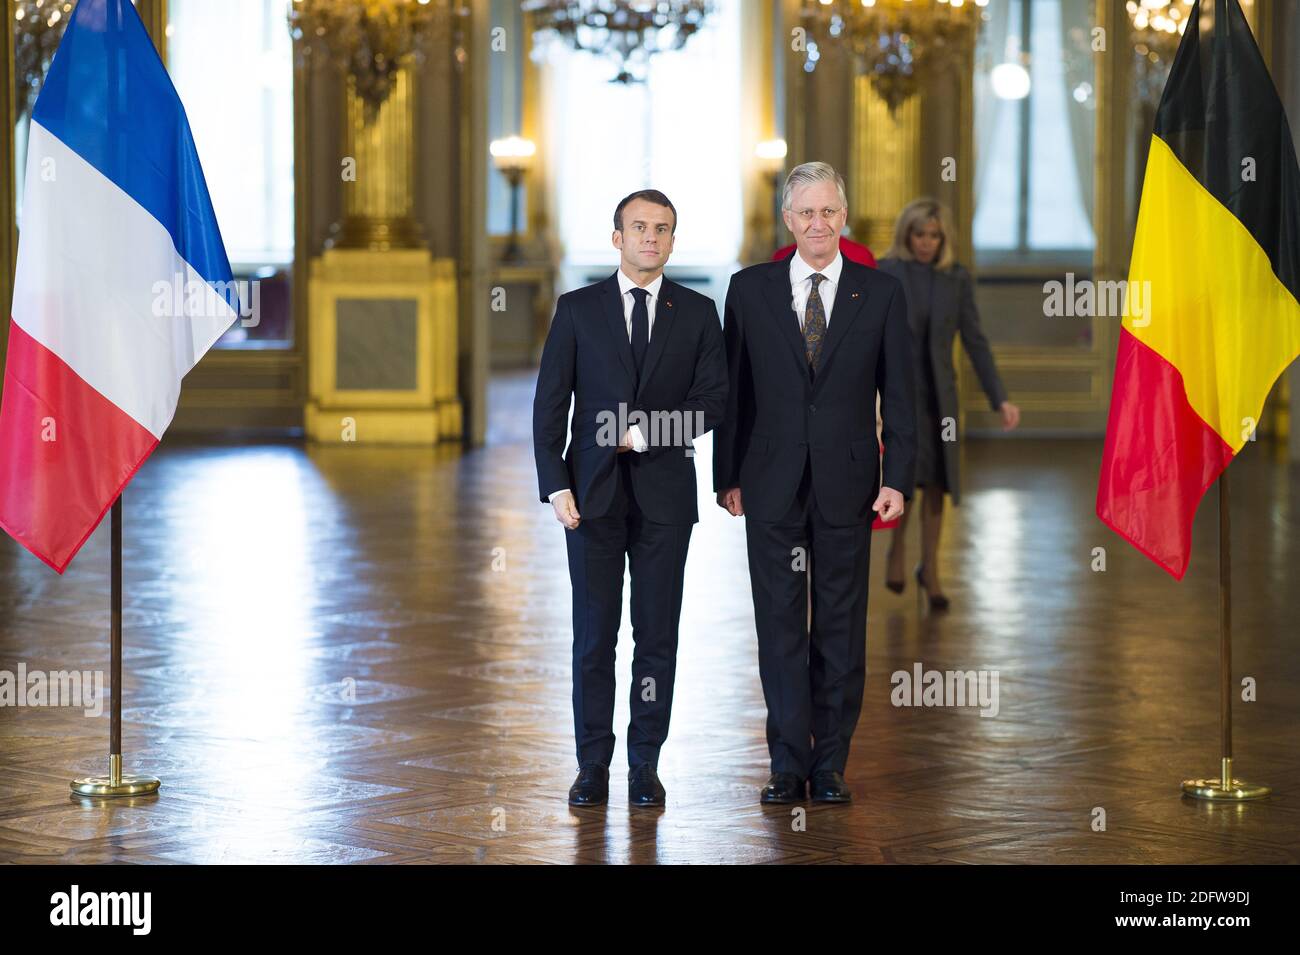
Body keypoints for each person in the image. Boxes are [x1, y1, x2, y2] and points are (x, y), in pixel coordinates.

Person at [713, 162, 916, 805]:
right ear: (788, 219)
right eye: (805, 212)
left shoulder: (879, 294)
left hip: (849, 485)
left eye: (828, 211)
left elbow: (902, 398)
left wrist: (899, 479)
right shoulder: (748, 291)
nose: (817, 223)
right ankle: (785, 763)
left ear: (844, 215)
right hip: (768, 483)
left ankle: (829, 765)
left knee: (839, 626)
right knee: (777, 626)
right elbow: (733, 394)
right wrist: (727, 477)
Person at [532, 189, 727, 808]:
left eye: (663, 229)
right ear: (616, 237)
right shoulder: (577, 309)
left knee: (657, 636)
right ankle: (592, 763)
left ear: (673, 240)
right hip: (588, 496)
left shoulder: (697, 312)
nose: (651, 238)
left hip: (666, 498)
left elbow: (714, 403)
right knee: (594, 637)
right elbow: (549, 404)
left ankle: (645, 763)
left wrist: (644, 433)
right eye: (639, 227)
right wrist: (555, 483)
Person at [876, 198, 1020, 610]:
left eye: (934, 235)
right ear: (907, 235)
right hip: (900, 395)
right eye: (919, 234)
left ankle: (932, 570)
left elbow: (975, 340)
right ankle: (897, 550)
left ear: (944, 239)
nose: (926, 242)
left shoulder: (956, 279)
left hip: (942, 400)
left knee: (938, 482)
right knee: (902, 479)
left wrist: (1000, 397)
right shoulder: (888, 272)